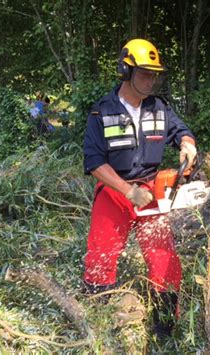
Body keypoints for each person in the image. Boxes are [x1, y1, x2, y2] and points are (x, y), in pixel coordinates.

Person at [82, 38, 197, 337]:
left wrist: (187, 144)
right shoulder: (102, 112)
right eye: (145, 73)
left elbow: (181, 130)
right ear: (126, 69)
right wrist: (127, 190)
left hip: (151, 190)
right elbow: (94, 162)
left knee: (164, 257)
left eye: (154, 74)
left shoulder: (159, 108)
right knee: (101, 255)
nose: (151, 79)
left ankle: (164, 326)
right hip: (114, 190)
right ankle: (98, 318)